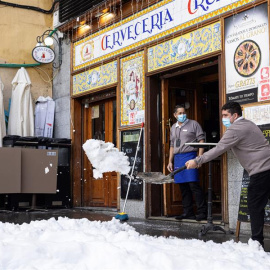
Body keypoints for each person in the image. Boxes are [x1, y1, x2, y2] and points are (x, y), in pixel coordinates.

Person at [185, 101, 270, 248]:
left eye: (225, 115)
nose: (223, 118)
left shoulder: (235, 129)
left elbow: (219, 148)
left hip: (261, 171)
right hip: (266, 167)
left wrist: (197, 160)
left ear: (235, 115)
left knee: (255, 206)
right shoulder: (249, 123)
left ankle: (257, 243)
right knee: (258, 205)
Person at [167, 105, 207, 221]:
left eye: (183, 112)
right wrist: (170, 161)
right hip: (178, 158)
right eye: (179, 113)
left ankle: (202, 212)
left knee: (193, 185)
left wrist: (199, 158)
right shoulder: (173, 127)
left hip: (190, 155)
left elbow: (201, 140)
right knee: (183, 187)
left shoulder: (194, 124)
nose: (182, 115)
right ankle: (188, 212)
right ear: (175, 115)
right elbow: (172, 145)